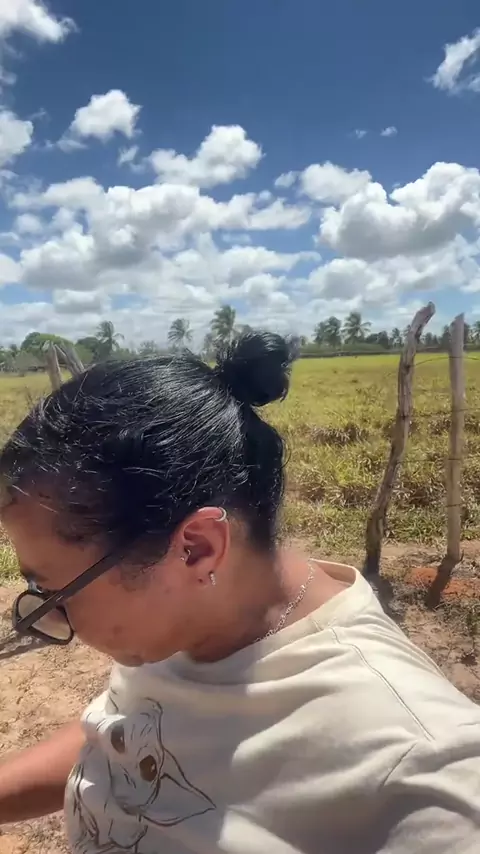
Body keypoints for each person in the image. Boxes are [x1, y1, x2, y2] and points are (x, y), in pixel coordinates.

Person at [0, 331, 479, 854]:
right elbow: (120, 732)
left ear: (197, 549)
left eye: (56, 594)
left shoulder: (424, 782)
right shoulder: (184, 621)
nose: (53, 619)